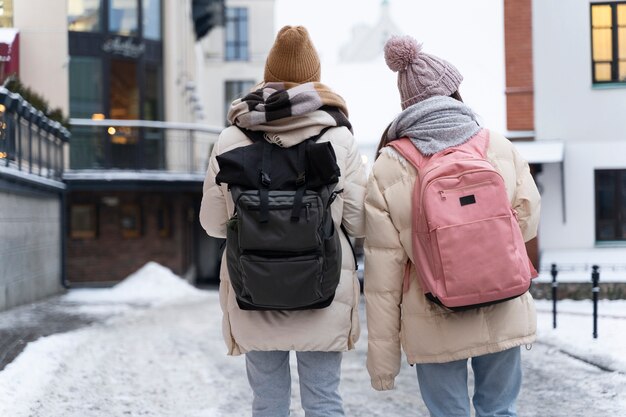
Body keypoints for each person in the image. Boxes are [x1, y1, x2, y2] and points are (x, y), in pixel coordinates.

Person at [364, 35, 541, 417]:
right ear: (453, 92)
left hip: (431, 311)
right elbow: (527, 219)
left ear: (407, 105)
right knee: (500, 410)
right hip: (503, 300)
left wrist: (382, 364)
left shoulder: (388, 165)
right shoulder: (497, 146)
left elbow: (383, 272)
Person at [200, 25, 366, 417]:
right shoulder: (338, 137)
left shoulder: (232, 138)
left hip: (254, 290)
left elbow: (213, 223)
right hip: (323, 289)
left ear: (268, 74)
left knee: (269, 403)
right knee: (324, 400)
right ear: (315, 77)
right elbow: (360, 223)